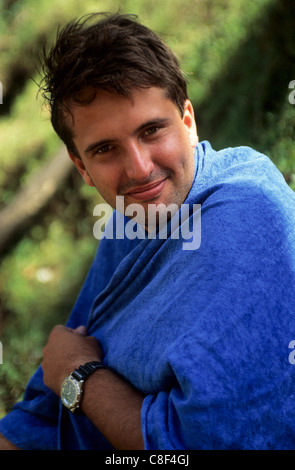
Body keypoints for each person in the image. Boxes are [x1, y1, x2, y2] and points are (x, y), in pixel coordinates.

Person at [1, 12, 295, 450]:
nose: (140, 169)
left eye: (152, 130)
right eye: (105, 149)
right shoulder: (131, 216)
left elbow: (197, 443)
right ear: (81, 167)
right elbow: (45, 405)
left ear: (188, 120)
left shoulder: (247, 215)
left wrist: (78, 376)